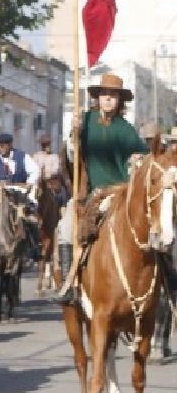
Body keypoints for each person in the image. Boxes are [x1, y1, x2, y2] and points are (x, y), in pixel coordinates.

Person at [54, 74, 149, 305]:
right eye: (104, 94)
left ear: (119, 99)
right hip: (94, 193)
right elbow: (71, 157)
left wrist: (138, 159)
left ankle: (166, 282)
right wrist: (74, 136)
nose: (108, 98)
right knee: (67, 226)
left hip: (122, 192)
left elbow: (145, 157)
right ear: (97, 97)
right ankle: (69, 286)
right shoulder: (84, 122)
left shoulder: (126, 129)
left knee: (153, 226)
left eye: (113, 94)